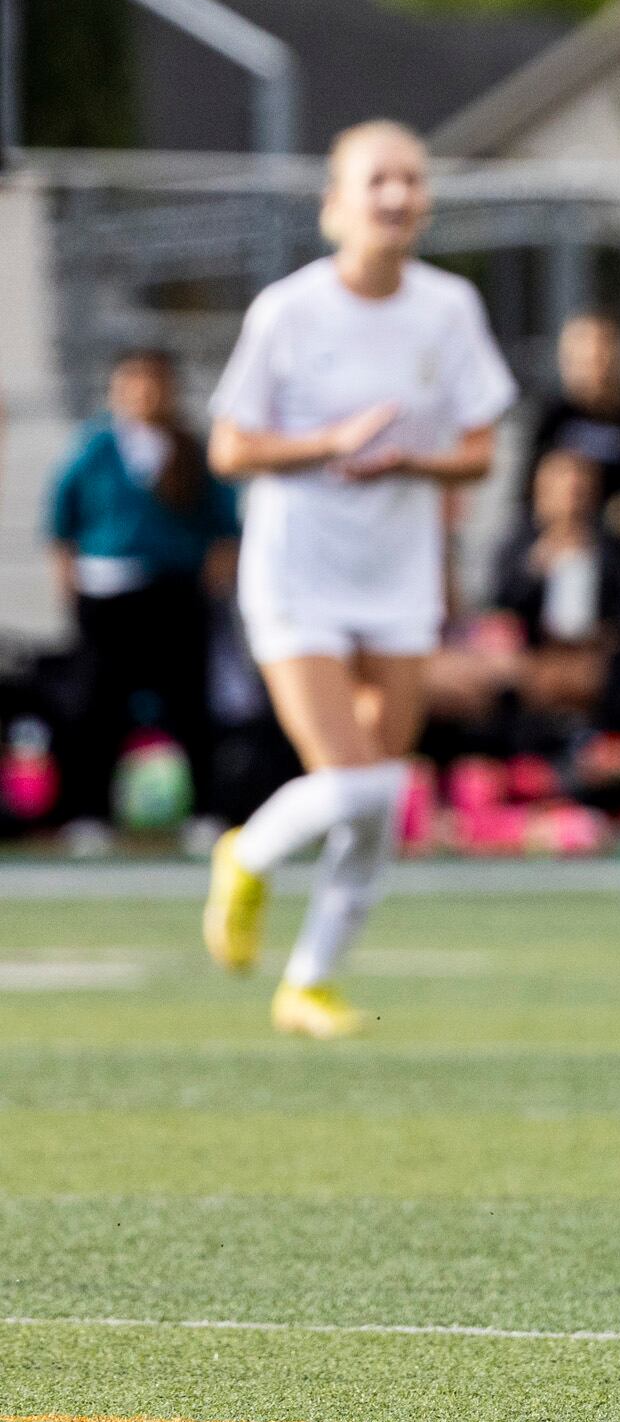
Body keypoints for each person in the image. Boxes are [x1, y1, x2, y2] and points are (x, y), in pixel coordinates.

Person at [200, 119, 518, 1038]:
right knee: (356, 783)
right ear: (335, 206)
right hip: (298, 575)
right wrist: (328, 445)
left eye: (411, 181)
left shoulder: (448, 307)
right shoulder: (288, 312)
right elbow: (230, 445)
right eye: (376, 181)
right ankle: (248, 854)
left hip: (399, 581)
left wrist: (410, 466)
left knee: (382, 795)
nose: (396, 196)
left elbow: (479, 450)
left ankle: (310, 981)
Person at [48, 348, 239, 833]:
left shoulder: (189, 450)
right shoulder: (94, 447)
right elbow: (61, 523)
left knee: (189, 703)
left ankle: (205, 810)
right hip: (106, 594)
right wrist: (69, 584)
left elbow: (224, 525)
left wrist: (212, 582)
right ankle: (89, 813)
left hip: (173, 592)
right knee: (96, 706)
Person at [524, 313, 620, 509]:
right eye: (585, 358)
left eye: (603, 355)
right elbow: (526, 492)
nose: (597, 367)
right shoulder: (549, 419)